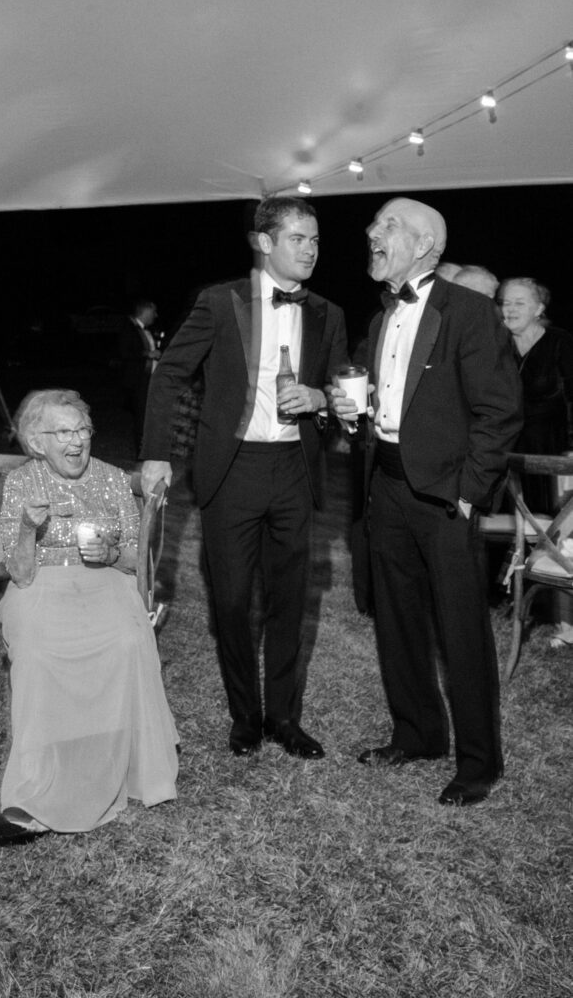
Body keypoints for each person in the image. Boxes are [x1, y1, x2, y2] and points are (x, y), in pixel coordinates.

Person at [140, 196, 348, 760]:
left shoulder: (328, 312)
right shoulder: (219, 302)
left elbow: (341, 391)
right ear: (264, 242)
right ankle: (244, 716)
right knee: (231, 601)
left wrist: (322, 398)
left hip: (294, 472)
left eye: (315, 240)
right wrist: (156, 453)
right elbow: (170, 376)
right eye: (298, 239)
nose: (310, 250)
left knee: (288, 599)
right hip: (232, 472)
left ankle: (283, 716)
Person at [330, 197, 522, 807]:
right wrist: (348, 409)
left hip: (444, 496)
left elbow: (499, 411)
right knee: (397, 618)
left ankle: (478, 763)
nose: (372, 233)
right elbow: (380, 397)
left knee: (461, 628)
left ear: (423, 244)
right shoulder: (382, 314)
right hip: (383, 484)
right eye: (374, 225)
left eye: (386, 226)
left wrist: (469, 493)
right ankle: (417, 735)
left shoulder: (467, 311)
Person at [0, 388, 178, 844]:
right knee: (35, 652)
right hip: (42, 586)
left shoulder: (113, 480)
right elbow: (17, 571)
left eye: (82, 431)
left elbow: (138, 562)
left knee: (127, 640)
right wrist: (30, 529)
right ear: (36, 442)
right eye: (63, 432)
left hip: (105, 581)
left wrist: (112, 551)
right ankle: (35, 788)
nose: (76, 442)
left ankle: (113, 758)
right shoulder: (21, 484)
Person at [499, 277, 573, 646]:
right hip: (509, 452)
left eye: (519, 303)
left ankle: (563, 620)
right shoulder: (497, 344)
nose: (509, 309)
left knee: (558, 531)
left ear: (540, 308)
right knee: (514, 526)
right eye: (505, 303)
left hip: (554, 451)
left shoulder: (560, 342)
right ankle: (512, 598)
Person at [115, 299, 162, 454]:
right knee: (141, 416)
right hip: (138, 381)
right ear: (146, 312)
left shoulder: (146, 330)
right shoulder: (129, 328)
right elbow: (124, 352)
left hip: (150, 379)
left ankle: (149, 447)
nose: (155, 316)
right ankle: (142, 452)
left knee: (149, 415)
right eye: (153, 312)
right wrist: (148, 354)